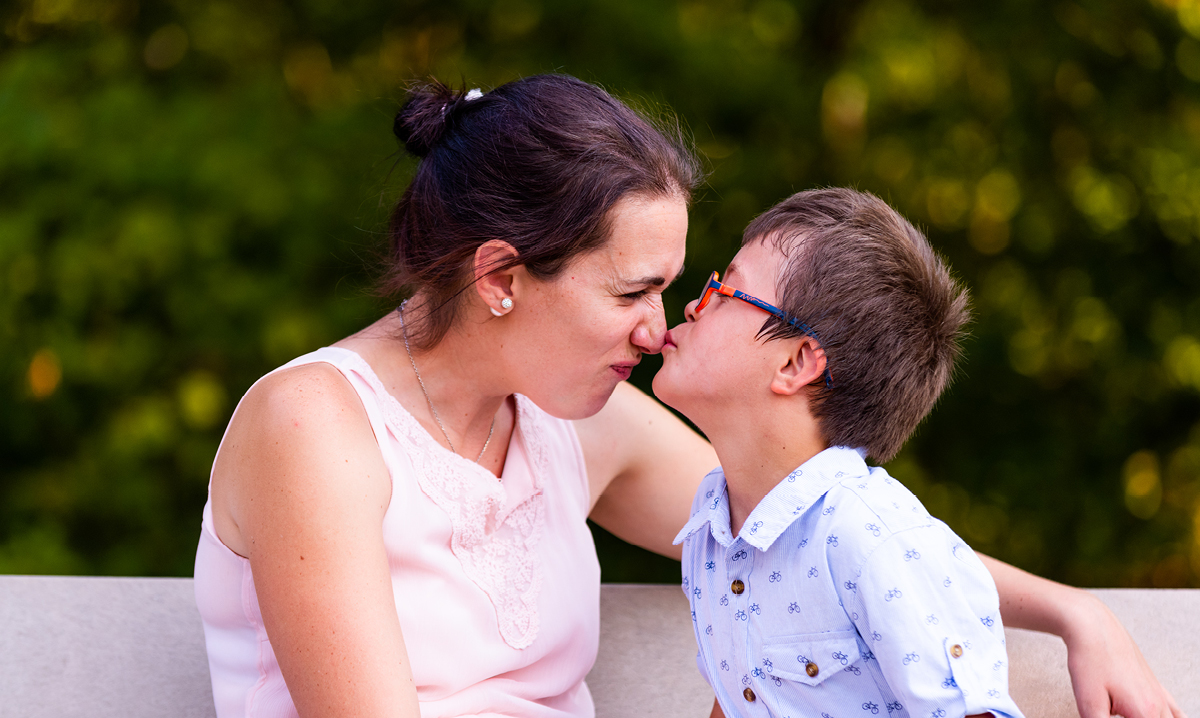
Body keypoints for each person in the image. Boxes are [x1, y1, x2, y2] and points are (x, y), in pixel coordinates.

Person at [193, 74, 1183, 718]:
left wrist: (1073, 613)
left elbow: (833, 529)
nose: (658, 326)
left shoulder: (572, 415)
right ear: (501, 275)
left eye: (674, 286)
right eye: (632, 290)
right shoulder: (315, 427)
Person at [657, 188, 1019, 718]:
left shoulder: (872, 537)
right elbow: (740, 696)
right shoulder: (711, 527)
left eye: (726, 290)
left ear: (795, 362)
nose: (694, 303)